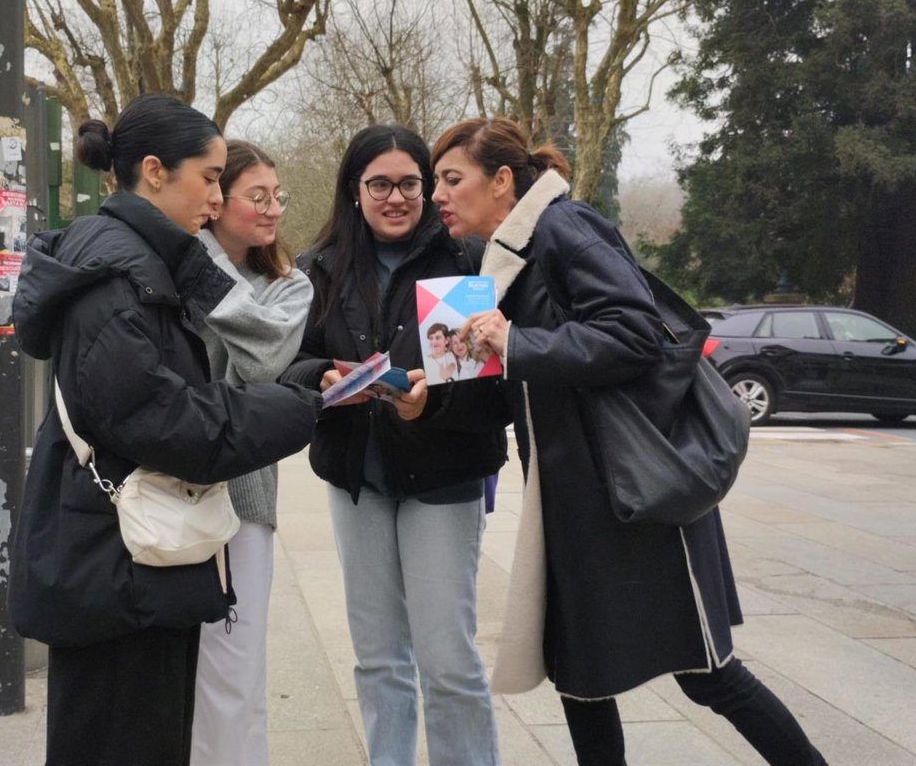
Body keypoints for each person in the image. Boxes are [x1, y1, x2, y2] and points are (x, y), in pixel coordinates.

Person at [430, 116, 827, 766]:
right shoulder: (506, 258)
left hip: (640, 488)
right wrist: (447, 378)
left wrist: (517, 341)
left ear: (501, 180)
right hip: (574, 501)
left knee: (707, 674)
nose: (438, 195)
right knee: (581, 677)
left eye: (452, 179)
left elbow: (636, 334)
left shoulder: (563, 226)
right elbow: (540, 379)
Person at [9, 94, 322, 766]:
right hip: (115, 563)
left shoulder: (133, 258)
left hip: (120, 558)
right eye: (209, 177)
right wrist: (294, 406)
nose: (215, 196)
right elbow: (163, 419)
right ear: (154, 171)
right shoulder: (118, 273)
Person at [282, 124, 508, 766]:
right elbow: (286, 364)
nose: (396, 197)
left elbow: (498, 391)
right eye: (378, 184)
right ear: (354, 191)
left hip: (445, 476)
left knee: (447, 660)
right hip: (359, 478)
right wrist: (320, 379)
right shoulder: (317, 267)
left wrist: (431, 402)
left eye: (410, 183)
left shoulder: (467, 259)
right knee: (378, 657)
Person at [191, 140, 313, 766]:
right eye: (258, 196)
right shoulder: (171, 264)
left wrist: (198, 261)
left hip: (243, 496)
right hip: (164, 490)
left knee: (237, 669)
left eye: (277, 197)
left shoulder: (289, 286)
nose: (273, 210)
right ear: (215, 201)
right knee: (178, 673)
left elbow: (264, 362)